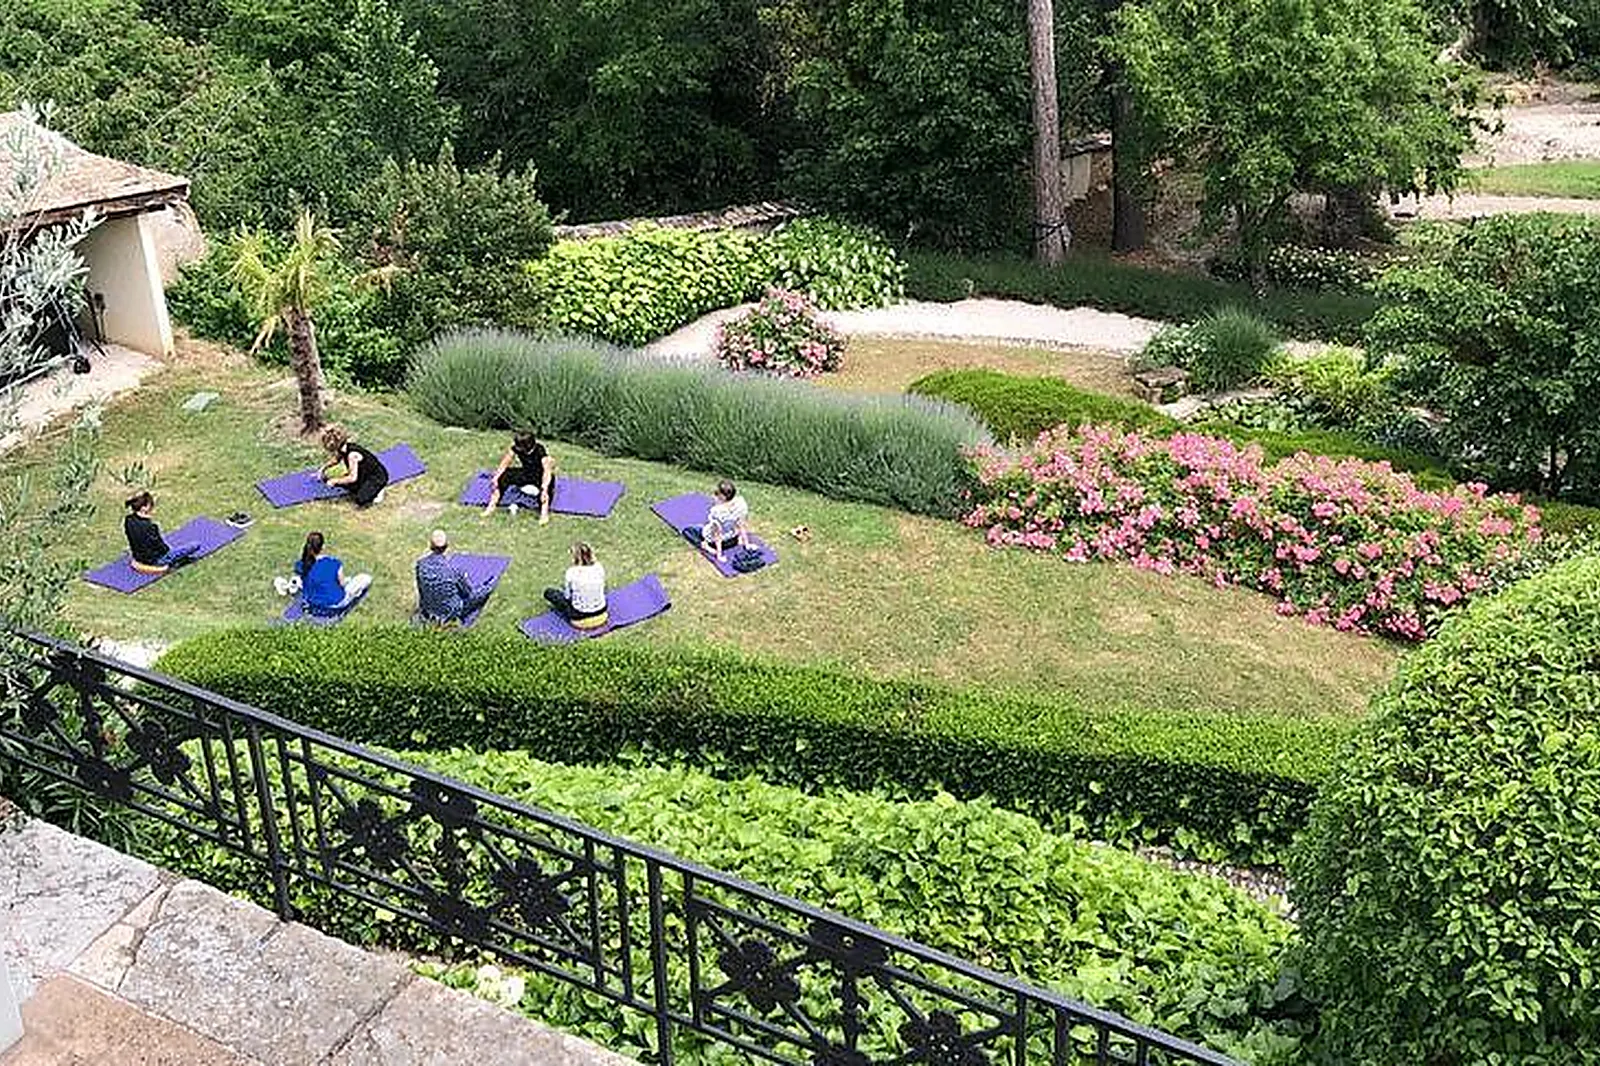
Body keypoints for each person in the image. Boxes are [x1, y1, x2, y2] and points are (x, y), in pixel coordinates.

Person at [415, 529, 494, 625]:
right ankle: (490, 585)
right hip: (451, 611)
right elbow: (467, 593)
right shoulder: (453, 570)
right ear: (446, 546)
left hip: (428, 608)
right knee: (482, 591)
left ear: (430, 545)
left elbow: (421, 590)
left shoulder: (420, 565)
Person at [482, 430, 555, 523]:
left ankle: (544, 513)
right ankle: (492, 505)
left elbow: (547, 471)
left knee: (547, 488)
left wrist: (544, 488)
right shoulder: (516, 448)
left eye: (518, 446)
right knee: (503, 477)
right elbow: (505, 462)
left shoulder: (540, 450)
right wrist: (496, 477)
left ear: (526, 446)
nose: (516, 447)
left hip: (540, 475)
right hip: (526, 472)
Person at [294, 531, 372, 615]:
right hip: (335, 604)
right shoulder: (334, 562)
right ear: (323, 547)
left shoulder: (300, 565)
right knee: (365, 578)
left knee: (299, 581)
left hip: (313, 604)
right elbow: (342, 584)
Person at [123, 492, 199, 573]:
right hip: (156, 560)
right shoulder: (151, 526)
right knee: (195, 545)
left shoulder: (128, 520)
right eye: (149, 505)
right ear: (143, 508)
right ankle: (173, 563)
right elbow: (162, 548)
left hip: (138, 557)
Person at [319, 424, 390, 508]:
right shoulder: (342, 448)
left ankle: (379, 490)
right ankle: (363, 485)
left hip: (377, 477)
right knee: (345, 485)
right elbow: (336, 460)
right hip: (363, 473)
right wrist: (323, 468)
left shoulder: (352, 455)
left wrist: (335, 480)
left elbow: (353, 477)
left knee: (361, 499)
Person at [543, 541, 608, 628]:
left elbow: (567, 596)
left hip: (579, 615)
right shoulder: (599, 567)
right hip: (601, 611)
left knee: (550, 593)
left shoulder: (571, 572)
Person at [700, 480, 750, 562]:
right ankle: (739, 541)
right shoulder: (740, 504)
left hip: (720, 543)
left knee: (699, 530)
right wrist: (747, 545)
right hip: (733, 539)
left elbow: (717, 535)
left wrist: (719, 555)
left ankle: (707, 547)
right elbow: (741, 525)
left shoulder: (717, 512)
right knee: (730, 525)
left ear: (722, 497)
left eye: (718, 493)